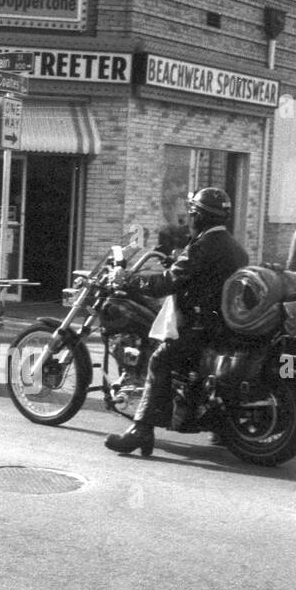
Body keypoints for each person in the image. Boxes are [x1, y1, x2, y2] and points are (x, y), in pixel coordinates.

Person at [105, 186, 250, 455]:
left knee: (159, 359)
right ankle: (218, 428)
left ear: (201, 217)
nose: (189, 219)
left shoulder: (204, 245)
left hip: (201, 327)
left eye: (193, 213)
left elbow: (167, 282)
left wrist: (129, 280)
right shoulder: (233, 247)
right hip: (222, 326)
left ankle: (141, 430)